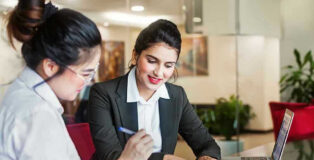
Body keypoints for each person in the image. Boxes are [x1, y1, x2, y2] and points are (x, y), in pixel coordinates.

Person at [88, 19, 221, 160]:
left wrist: (208, 157)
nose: (159, 72)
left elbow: (207, 144)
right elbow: (110, 156)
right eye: (152, 61)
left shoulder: (176, 96)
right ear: (135, 56)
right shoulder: (103, 94)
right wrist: (164, 158)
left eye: (168, 65)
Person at [0, 0, 102, 159]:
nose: (88, 81)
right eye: (85, 73)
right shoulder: (38, 116)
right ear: (51, 67)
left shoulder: (22, 94)